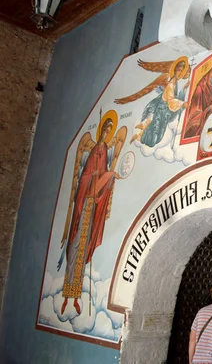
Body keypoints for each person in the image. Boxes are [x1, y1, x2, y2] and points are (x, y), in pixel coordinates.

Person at [58, 117, 121, 315]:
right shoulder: (94, 151)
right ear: (100, 131)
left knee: (83, 250)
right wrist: (92, 176)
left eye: (109, 132)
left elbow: (102, 173)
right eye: (105, 130)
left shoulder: (103, 153)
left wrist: (109, 176)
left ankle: (75, 297)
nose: (105, 134)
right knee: (75, 247)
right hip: (85, 202)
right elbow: (84, 176)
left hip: (92, 206)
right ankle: (66, 294)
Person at [131, 60, 189, 147]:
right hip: (161, 110)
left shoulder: (175, 81)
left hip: (165, 113)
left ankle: (142, 137)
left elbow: (174, 98)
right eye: (179, 70)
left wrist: (184, 88)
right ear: (175, 69)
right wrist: (182, 104)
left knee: (159, 136)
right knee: (155, 134)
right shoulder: (172, 81)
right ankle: (142, 138)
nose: (180, 72)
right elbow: (170, 99)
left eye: (181, 71)